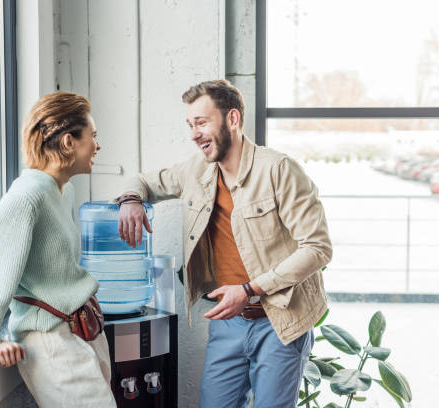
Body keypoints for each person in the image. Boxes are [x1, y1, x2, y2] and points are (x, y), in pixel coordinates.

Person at [117, 80, 332, 407]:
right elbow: (144, 180)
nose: (194, 133)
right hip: (228, 324)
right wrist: (131, 199)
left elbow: (317, 248)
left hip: (280, 323)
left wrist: (249, 289)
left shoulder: (279, 170)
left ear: (232, 119)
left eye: (202, 122)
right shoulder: (196, 171)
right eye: (190, 125)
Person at [0, 92, 116, 407]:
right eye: (92, 136)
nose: (97, 145)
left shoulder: (59, 190)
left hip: (81, 330)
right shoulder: (30, 194)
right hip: (53, 342)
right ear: (69, 142)